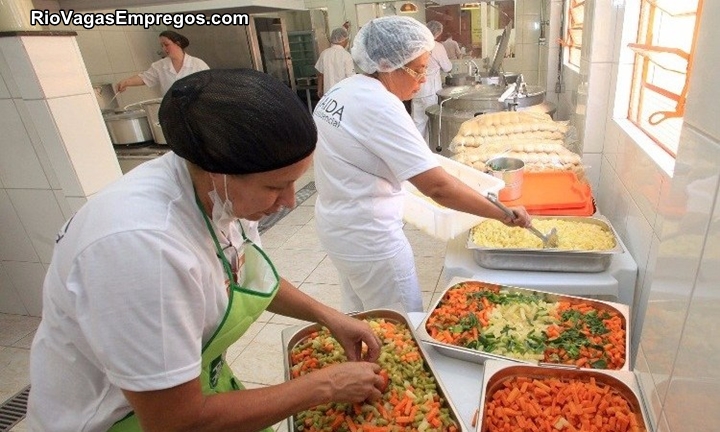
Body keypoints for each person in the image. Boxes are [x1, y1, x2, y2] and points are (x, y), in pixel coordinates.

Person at [28, 69, 385, 432]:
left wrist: (326, 315)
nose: (290, 201)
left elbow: (242, 272)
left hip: (194, 385)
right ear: (218, 172)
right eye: (276, 187)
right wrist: (324, 385)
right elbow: (176, 422)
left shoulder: (219, 193)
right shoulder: (142, 249)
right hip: (121, 420)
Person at [312, 16, 531, 314]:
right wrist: (501, 213)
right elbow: (438, 187)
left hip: (337, 229)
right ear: (388, 64)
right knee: (400, 326)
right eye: (418, 69)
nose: (424, 78)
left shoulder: (343, 90)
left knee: (360, 316)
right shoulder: (381, 105)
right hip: (371, 239)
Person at [116, 30, 209, 96]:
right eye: (162, 46)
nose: (164, 49)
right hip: (171, 112)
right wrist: (126, 82)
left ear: (178, 43)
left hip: (196, 110)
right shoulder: (159, 66)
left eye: (167, 44)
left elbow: (210, 86)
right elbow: (144, 78)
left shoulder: (198, 64)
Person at [411, 21, 452, 142]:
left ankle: (416, 149)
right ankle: (429, 152)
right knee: (432, 123)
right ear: (438, 33)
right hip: (431, 92)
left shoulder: (415, 46)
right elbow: (447, 67)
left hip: (416, 90)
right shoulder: (436, 46)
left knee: (417, 123)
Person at [315, 27, 355, 98]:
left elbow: (320, 74)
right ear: (343, 40)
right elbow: (351, 77)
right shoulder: (346, 55)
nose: (347, 41)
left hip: (328, 94)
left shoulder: (324, 53)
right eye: (346, 39)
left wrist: (319, 89)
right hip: (342, 94)